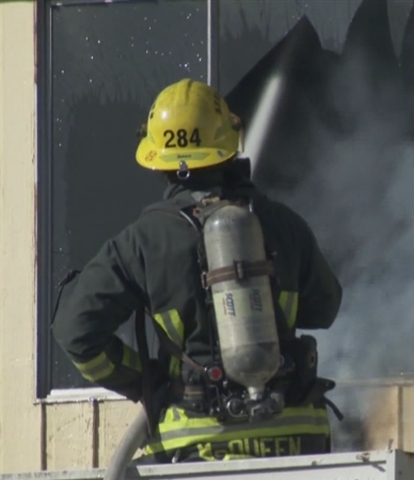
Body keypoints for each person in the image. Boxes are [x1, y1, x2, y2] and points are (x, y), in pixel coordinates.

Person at [51, 78, 343, 463]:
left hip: (195, 446)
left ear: (159, 161)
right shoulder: (284, 224)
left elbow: (76, 331)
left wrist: (148, 380)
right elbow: (325, 309)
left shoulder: (142, 241)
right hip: (296, 439)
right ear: (227, 146)